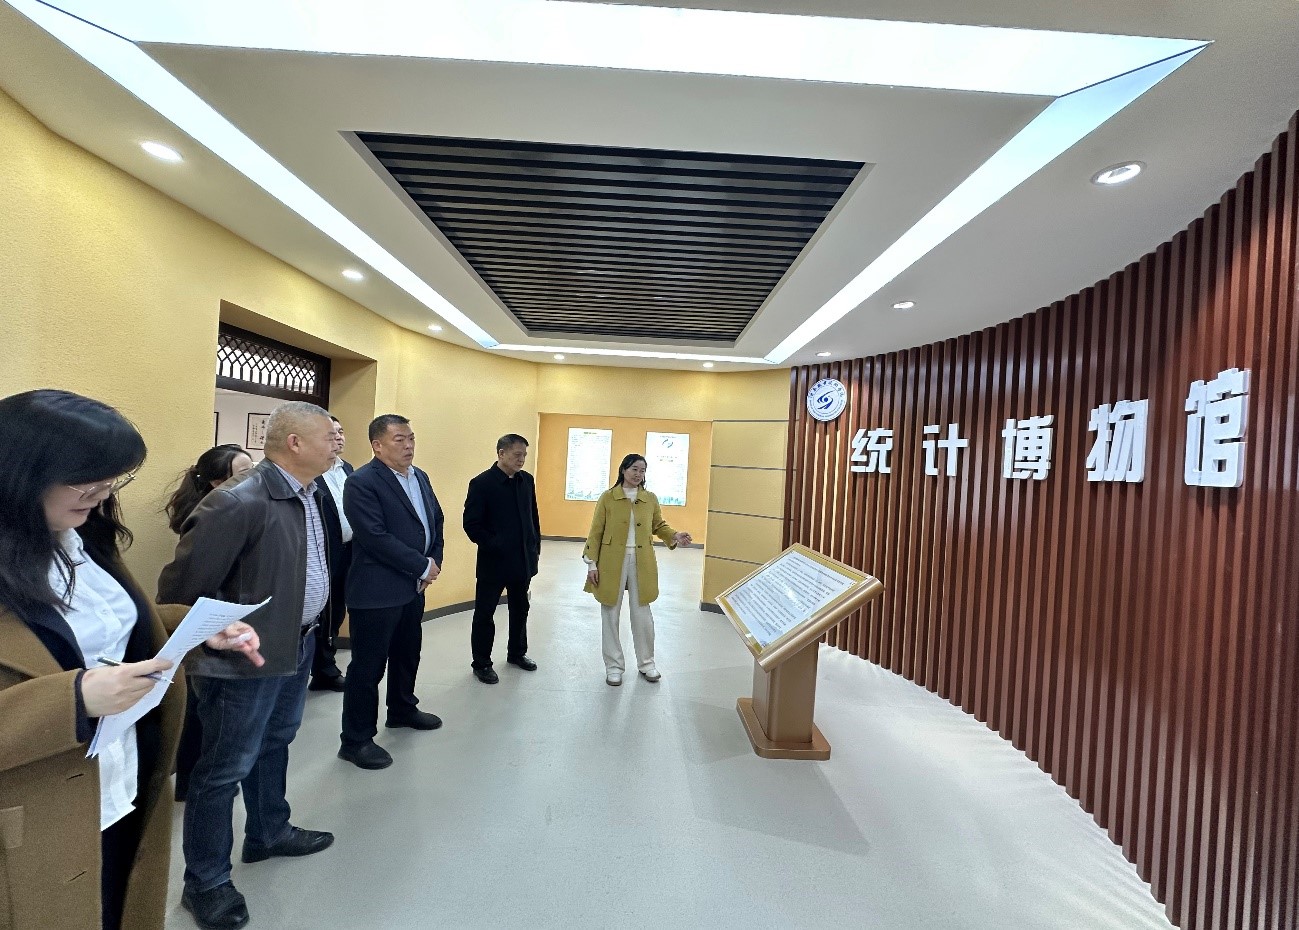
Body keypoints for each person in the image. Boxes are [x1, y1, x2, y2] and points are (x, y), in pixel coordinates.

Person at [0, 389, 258, 930]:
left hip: (123, 780)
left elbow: (104, 629)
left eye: (112, 480)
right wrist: (74, 700)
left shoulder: (81, 536)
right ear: (21, 473)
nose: (102, 495)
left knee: (120, 901)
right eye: (87, 481)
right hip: (38, 811)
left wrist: (193, 627)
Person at [158, 401, 340, 930]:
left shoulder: (310, 492)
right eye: (328, 435)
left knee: (275, 742)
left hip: (295, 643)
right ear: (294, 443)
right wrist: (218, 638)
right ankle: (206, 882)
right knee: (223, 770)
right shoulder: (238, 501)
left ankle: (268, 831)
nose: (337, 442)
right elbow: (180, 591)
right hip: (241, 661)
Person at [339, 414, 445, 771]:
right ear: (377, 445)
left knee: (407, 653)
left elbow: (435, 520)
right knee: (368, 667)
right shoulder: (361, 482)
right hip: (377, 590)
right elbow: (374, 536)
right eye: (399, 439)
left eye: (411, 438)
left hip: (412, 588)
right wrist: (421, 566)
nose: (409, 445)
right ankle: (356, 740)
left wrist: (434, 561)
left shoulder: (420, 476)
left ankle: (401, 709)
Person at [163, 443, 254, 801]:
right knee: (202, 711)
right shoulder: (214, 516)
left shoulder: (233, 507)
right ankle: (195, 783)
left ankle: (194, 781)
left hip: (219, 623)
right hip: (209, 622)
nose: (254, 477)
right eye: (244, 471)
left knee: (201, 712)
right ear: (218, 482)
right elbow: (186, 583)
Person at [582, 454, 692, 687]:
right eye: (634, 469)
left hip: (642, 560)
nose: (638, 474)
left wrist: (674, 535)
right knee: (610, 611)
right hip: (611, 560)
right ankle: (614, 667)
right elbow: (596, 530)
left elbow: (658, 525)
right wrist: (592, 563)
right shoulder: (608, 497)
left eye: (642, 470)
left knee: (642, 612)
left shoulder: (649, 498)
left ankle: (647, 663)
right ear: (623, 470)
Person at [463, 433, 541, 684]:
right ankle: (482, 663)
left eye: (524, 455)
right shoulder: (481, 483)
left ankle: (517, 653)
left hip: (523, 561)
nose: (522, 459)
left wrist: (534, 548)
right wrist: (496, 544)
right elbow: (471, 525)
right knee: (485, 614)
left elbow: (533, 518)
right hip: (493, 563)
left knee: (520, 608)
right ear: (501, 453)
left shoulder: (526, 481)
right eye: (517, 455)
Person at [309, 415, 354, 692]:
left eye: (341, 431)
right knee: (322, 613)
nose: (338, 437)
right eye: (331, 432)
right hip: (322, 552)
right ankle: (323, 669)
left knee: (337, 611)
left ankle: (324, 667)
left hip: (349, 551)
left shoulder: (347, 469)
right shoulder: (311, 472)